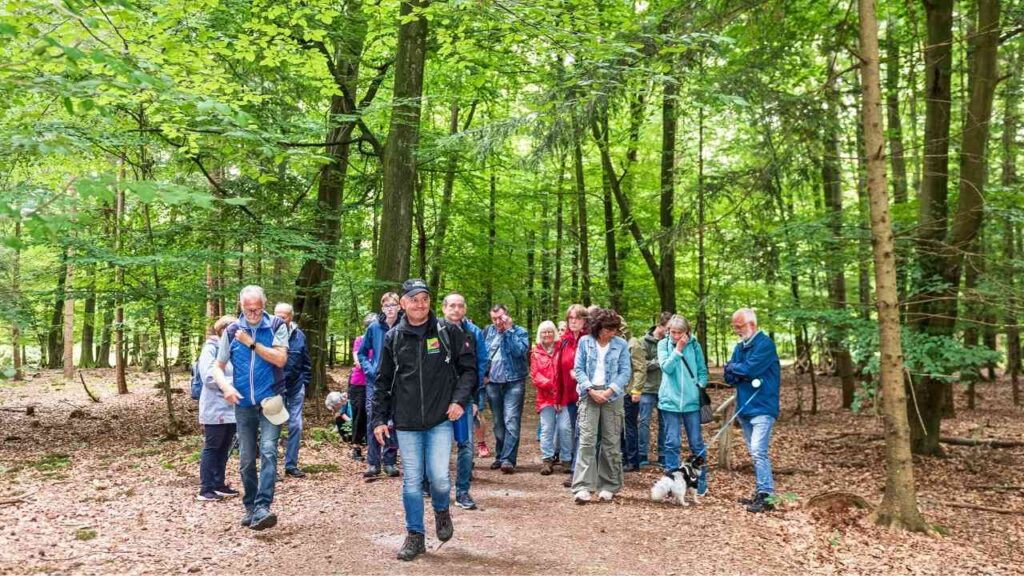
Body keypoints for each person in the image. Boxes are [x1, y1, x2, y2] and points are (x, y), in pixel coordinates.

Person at [371, 279, 476, 561]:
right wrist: (379, 419)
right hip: (406, 423)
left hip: (440, 418)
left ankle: (442, 510)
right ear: (403, 303)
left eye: (425, 298)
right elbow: (382, 381)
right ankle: (415, 535)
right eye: (414, 299)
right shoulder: (394, 338)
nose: (420, 304)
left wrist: (459, 401)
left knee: (440, 479)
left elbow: (468, 370)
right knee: (412, 481)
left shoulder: (447, 332)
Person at [211, 285, 290, 530]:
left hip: (271, 401)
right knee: (246, 459)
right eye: (248, 309)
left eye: (257, 309)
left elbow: (280, 359)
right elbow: (217, 367)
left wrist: (251, 343)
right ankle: (251, 506)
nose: (253, 314)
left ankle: (264, 506)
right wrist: (226, 387)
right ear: (241, 306)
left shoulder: (277, 325)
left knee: (268, 451)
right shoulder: (232, 331)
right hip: (244, 404)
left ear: (264, 306)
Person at [570, 308, 631, 504]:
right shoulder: (584, 342)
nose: (611, 333)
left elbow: (625, 372)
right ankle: (582, 487)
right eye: (607, 329)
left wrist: (610, 390)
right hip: (589, 395)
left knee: (611, 442)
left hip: (612, 397)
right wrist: (589, 389)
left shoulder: (620, 345)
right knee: (587, 441)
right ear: (598, 327)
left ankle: (609, 485)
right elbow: (578, 368)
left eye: (614, 329)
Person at [724, 308, 781, 513]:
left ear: (752, 325)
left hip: (763, 406)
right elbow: (729, 377)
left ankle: (767, 495)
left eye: (739, 327)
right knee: (754, 451)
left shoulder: (765, 345)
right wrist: (735, 368)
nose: (737, 331)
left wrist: (735, 367)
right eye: (735, 327)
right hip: (745, 407)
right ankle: (761, 492)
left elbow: (749, 370)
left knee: (758, 451)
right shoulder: (740, 347)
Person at [440, 292, 488, 510]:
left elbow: (478, 366)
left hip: (465, 397)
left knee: (466, 444)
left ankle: (462, 491)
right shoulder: (433, 331)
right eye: (452, 306)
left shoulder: (473, 333)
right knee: (437, 445)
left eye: (460, 306)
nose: (456, 310)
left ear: (465, 309)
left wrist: (475, 398)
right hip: (437, 398)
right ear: (444, 308)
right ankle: (433, 486)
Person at [656, 314, 709, 495]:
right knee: (672, 443)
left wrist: (699, 386)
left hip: (691, 403)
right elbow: (667, 368)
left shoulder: (695, 346)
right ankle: (672, 483)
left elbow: (702, 370)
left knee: (696, 442)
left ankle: (700, 483)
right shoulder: (663, 345)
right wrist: (678, 349)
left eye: (679, 332)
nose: (675, 336)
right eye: (672, 332)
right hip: (669, 401)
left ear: (687, 331)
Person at [481, 304, 530, 473]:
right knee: (498, 422)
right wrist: (484, 374)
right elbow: (481, 354)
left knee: (511, 420)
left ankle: (508, 459)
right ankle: (500, 456)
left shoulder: (519, 332)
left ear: (507, 316)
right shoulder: (487, 332)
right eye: (494, 319)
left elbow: (520, 352)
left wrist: (508, 331)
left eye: (500, 318)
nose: (497, 322)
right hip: (493, 383)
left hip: (514, 381)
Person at [196, 315, 240, 502]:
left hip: (230, 408)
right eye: (233, 330)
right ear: (223, 330)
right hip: (215, 407)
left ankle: (219, 483)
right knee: (213, 446)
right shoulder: (210, 349)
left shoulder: (231, 350)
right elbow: (208, 376)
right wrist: (234, 384)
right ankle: (206, 488)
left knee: (224, 447)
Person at [358, 292, 402, 478]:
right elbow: (362, 352)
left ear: (400, 306)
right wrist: (370, 370)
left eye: (394, 305)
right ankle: (373, 463)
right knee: (373, 419)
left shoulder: (405, 326)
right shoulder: (374, 328)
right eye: (387, 305)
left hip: (399, 381)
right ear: (382, 308)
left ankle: (390, 461)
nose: (390, 308)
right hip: (375, 382)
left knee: (394, 420)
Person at [274, 302, 311, 478]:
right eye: (277, 315)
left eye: (284, 316)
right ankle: (270, 468)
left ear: (291, 317)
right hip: (274, 389)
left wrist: (305, 381)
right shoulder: (268, 334)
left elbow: (306, 361)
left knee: (296, 425)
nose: (280, 319)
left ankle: (291, 465)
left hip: (296, 386)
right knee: (273, 426)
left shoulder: (299, 336)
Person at [554, 304, 588, 486]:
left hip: (588, 394)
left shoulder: (589, 340)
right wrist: (558, 397)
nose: (573, 321)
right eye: (571, 318)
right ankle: (577, 469)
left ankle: (578, 471)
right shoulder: (564, 342)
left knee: (583, 432)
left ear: (585, 321)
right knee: (574, 431)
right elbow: (559, 371)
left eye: (578, 318)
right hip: (569, 396)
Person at [531, 320, 569, 475]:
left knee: (565, 428)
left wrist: (559, 391)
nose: (547, 334)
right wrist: (552, 387)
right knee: (547, 428)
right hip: (545, 397)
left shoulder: (563, 349)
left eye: (549, 331)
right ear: (540, 335)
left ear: (554, 333)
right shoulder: (536, 353)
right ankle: (547, 459)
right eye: (544, 332)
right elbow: (535, 375)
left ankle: (567, 459)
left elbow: (567, 370)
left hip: (564, 396)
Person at [636, 312, 671, 467]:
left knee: (664, 423)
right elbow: (642, 365)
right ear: (660, 326)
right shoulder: (643, 342)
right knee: (644, 422)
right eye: (668, 328)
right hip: (647, 388)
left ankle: (662, 455)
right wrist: (661, 361)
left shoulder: (670, 342)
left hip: (664, 389)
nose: (670, 331)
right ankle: (642, 454)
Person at [347, 313, 376, 461]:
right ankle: (356, 446)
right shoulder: (360, 340)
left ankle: (376, 447)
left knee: (376, 414)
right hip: (359, 382)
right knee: (360, 414)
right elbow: (358, 361)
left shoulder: (381, 340)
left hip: (377, 383)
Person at [622, 322, 646, 472]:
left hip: (629, 392)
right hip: (618, 391)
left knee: (630, 427)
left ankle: (633, 461)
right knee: (619, 428)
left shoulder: (633, 344)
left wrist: (636, 390)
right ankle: (624, 457)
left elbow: (640, 368)